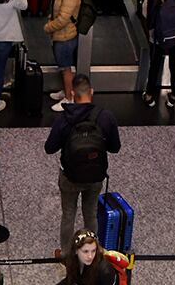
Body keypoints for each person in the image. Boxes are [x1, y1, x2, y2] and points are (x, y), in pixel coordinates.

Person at [44, 75, 120, 255]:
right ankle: (92, 253)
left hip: (69, 176)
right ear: (91, 92)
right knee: (91, 213)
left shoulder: (64, 119)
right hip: (95, 176)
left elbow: (49, 148)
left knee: (68, 214)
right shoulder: (105, 117)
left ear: (72, 93)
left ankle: (65, 255)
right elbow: (115, 148)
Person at [43, 0, 81, 111]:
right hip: (60, 36)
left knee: (66, 69)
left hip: (65, 37)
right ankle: (65, 91)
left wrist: (48, 27)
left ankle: (69, 98)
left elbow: (63, 19)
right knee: (62, 67)